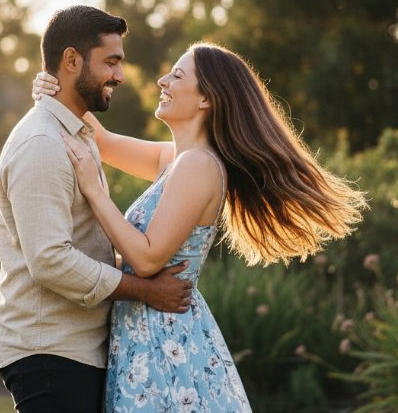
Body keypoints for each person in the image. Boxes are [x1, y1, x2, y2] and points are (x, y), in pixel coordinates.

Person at [34, 42, 368, 412]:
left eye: (177, 76)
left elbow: (146, 260)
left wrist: (95, 193)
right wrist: (55, 91)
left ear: (207, 98)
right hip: (146, 336)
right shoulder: (175, 159)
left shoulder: (199, 166)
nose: (162, 80)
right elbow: (102, 141)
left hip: (165, 344)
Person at [0, 5, 194, 413]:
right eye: (111, 62)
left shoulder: (77, 133)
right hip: (49, 350)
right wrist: (146, 291)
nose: (119, 75)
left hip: (74, 350)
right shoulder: (43, 144)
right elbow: (50, 260)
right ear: (71, 61)